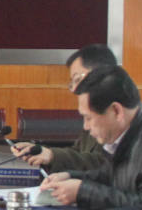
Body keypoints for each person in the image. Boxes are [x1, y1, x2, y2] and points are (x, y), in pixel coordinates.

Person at [37, 65, 142, 210]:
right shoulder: (127, 134)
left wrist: (83, 193)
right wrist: (70, 176)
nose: (85, 127)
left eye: (89, 118)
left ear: (116, 111)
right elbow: (108, 177)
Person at [9, 44, 118, 173]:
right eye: (73, 82)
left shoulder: (118, 112)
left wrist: (52, 155)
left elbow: (106, 164)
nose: (75, 89)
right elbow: (78, 153)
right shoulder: (95, 109)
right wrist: (41, 151)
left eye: (78, 79)